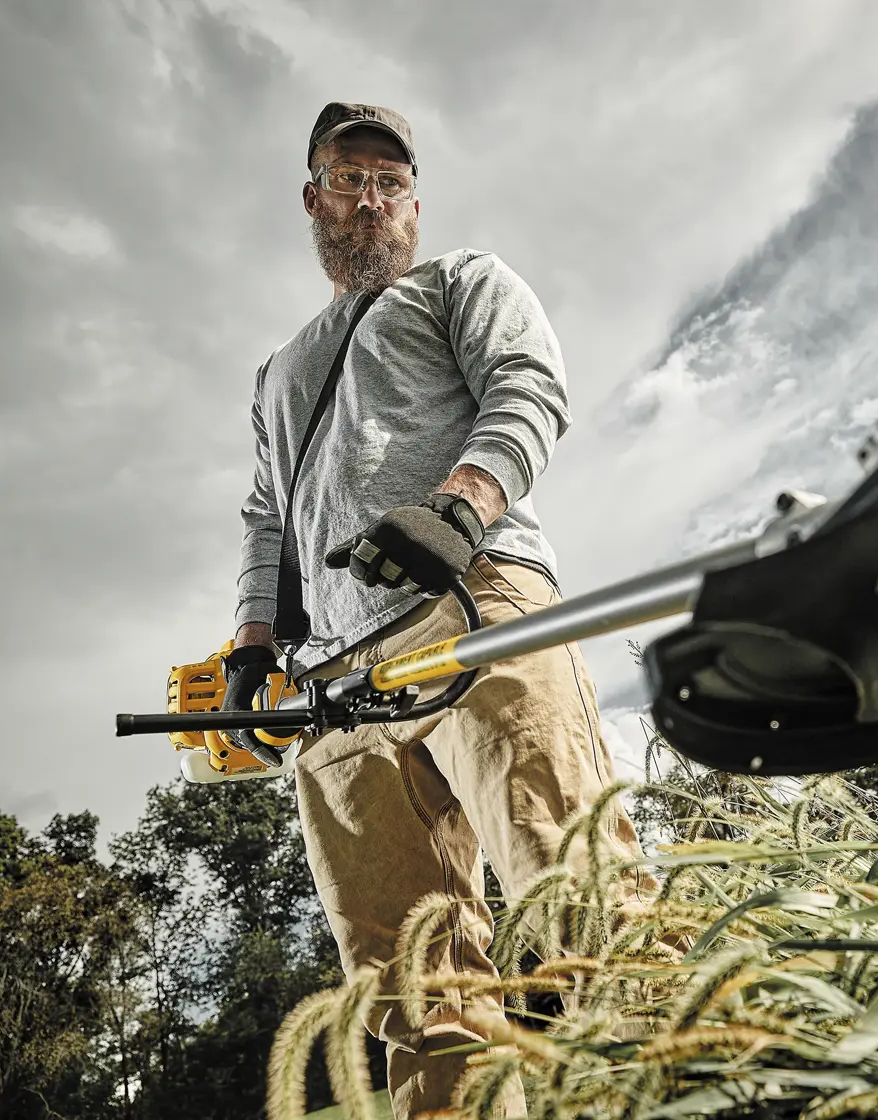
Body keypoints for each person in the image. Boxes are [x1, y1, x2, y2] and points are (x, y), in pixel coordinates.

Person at [222, 102, 648, 1119]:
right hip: (333, 685)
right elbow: (262, 515)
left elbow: (530, 387)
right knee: (411, 984)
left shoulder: (463, 282)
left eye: (391, 183)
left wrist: (460, 507)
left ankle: (652, 1091)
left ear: (415, 202)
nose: (371, 200)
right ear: (314, 198)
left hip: (474, 607)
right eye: (349, 178)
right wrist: (250, 649)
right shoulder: (277, 373)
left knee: (574, 885)